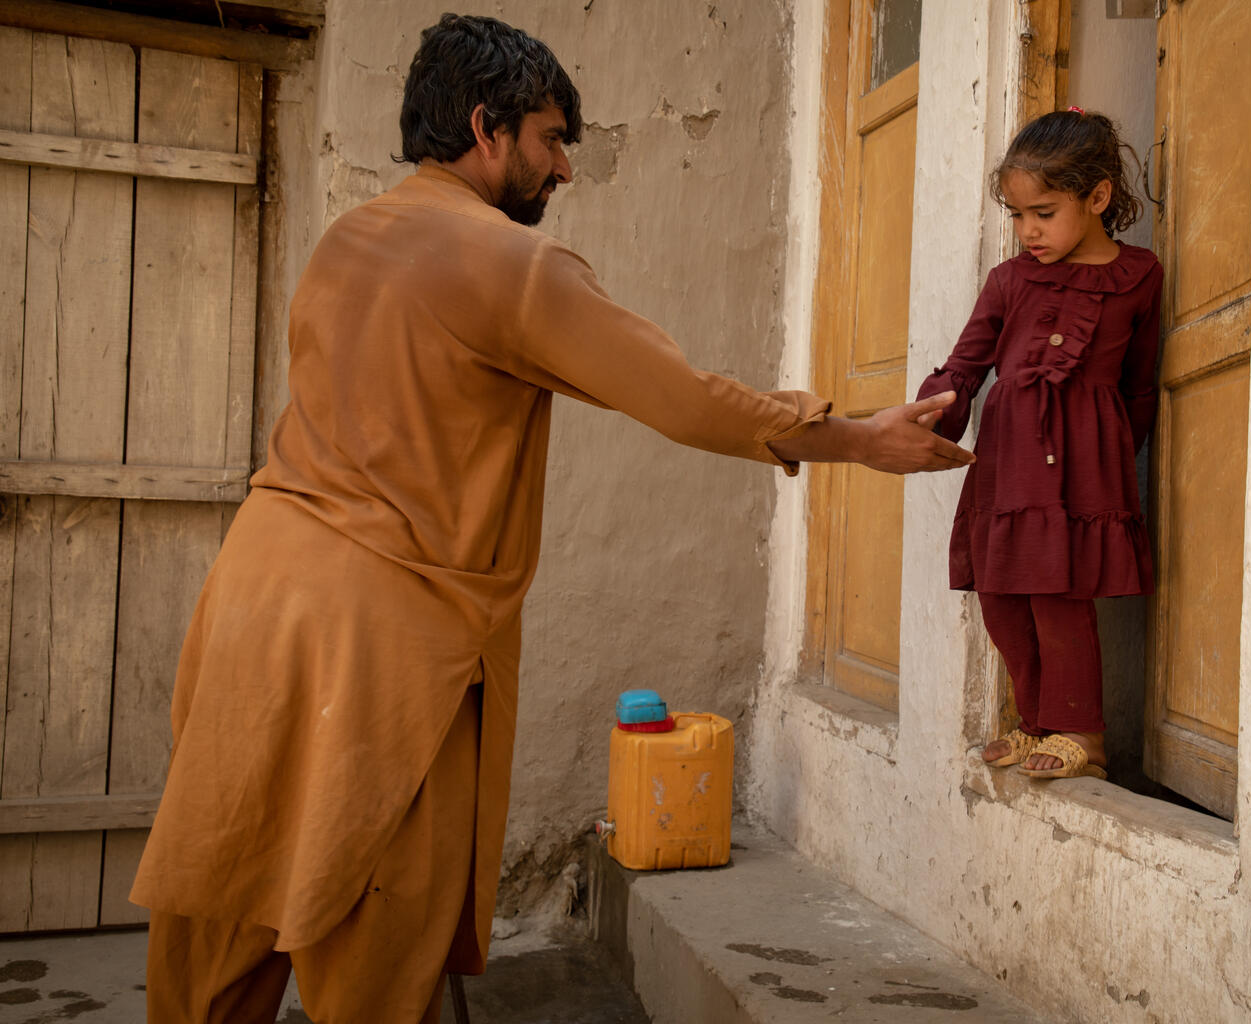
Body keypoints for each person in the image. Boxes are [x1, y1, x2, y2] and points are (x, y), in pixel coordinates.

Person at [130, 14, 971, 1023]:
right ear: (489, 129)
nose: (565, 167)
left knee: (221, 916)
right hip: (383, 644)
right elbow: (686, 399)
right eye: (551, 138)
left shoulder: (346, 239)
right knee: (375, 946)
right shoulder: (513, 266)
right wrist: (861, 438)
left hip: (250, 609)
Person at [916, 108, 1162, 781]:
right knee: (1002, 595)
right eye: (1018, 215)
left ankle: (1084, 735)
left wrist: (1112, 455)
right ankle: (1036, 722)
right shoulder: (1010, 281)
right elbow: (966, 364)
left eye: (1044, 213)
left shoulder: (1139, 276)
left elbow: (1141, 386)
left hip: (1085, 466)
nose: (1028, 231)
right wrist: (934, 410)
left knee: (1059, 597)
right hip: (1008, 463)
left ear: (1098, 197)